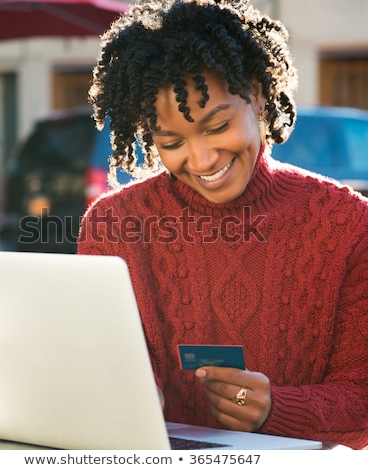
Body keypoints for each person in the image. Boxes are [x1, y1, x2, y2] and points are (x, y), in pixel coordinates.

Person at [77, 0, 368, 449]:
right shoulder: (115, 224)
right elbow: (94, 365)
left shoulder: (345, 224)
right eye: (171, 141)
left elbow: (360, 394)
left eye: (216, 126)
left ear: (255, 93)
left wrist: (277, 407)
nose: (202, 159)